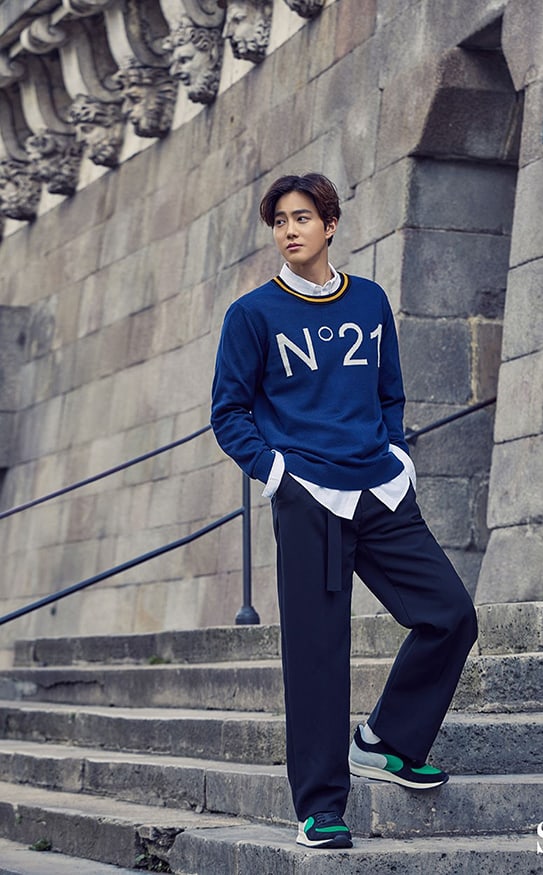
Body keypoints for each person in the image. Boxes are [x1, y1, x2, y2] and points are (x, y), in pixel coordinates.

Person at [211, 172, 478, 850]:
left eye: (302, 217)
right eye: (279, 221)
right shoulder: (252, 315)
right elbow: (229, 413)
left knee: (450, 614)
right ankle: (321, 806)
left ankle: (387, 740)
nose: (289, 230)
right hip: (310, 498)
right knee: (318, 653)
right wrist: (280, 474)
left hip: (381, 491)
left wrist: (398, 454)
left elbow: (389, 392)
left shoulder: (369, 300)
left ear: (330, 224)